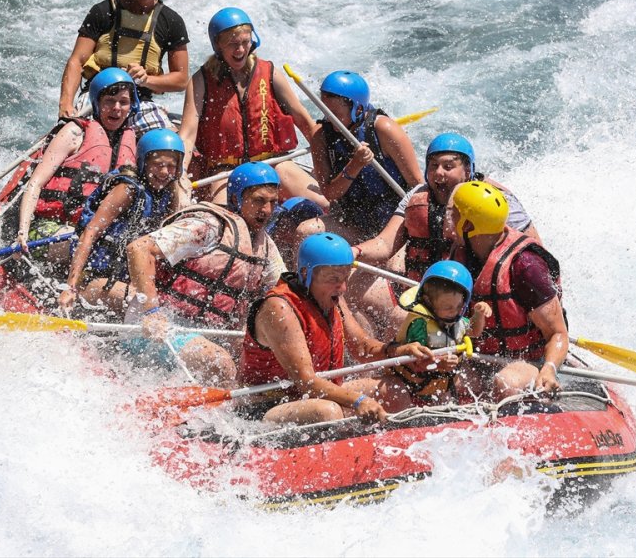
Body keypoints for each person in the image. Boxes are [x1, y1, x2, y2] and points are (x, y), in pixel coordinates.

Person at [238, 232, 434, 424]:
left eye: (345, 278)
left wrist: (401, 351)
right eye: (333, 279)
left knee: (394, 389)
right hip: (264, 407)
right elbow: (307, 382)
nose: (342, 288)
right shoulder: (280, 308)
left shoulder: (334, 299)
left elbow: (363, 348)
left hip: (316, 396)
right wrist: (358, 400)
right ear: (306, 273)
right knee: (329, 411)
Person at [121, 162, 289, 385]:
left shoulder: (265, 247)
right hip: (155, 328)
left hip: (205, 336)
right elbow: (139, 248)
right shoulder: (207, 226)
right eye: (259, 200)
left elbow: (286, 293)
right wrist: (152, 311)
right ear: (237, 198)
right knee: (219, 362)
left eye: (272, 202)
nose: (266, 210)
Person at [177, 7, 326, 208]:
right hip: (226, 170)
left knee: (324, 204)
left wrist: (327, 167)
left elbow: (306, 124)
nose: (240, 50)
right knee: (222, 216)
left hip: (273, 164)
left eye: (245, 42)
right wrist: (181, 174)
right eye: (232, 44)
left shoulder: (271, 73)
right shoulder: (201, 81)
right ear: (218, 46)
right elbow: (187, 135)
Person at [352, 133, 540, 282]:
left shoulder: (497, 200)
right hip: (427, 289)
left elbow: (536, 254)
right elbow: (385, 244)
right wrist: (354, 252)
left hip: (476, 297)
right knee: (358, 281)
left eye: (448, 166)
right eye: (433, 166)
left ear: (467, 171)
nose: (438, 173)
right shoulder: (418, 195)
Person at [447, 180, 568, 400]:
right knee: (458, 385)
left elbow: (557, 332)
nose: (448, 220)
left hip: (529, 360)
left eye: (454, 214)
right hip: (479, 356)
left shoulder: (526, 266)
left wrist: (549, 368)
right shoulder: (460, 254)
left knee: (506, 383)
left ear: (468, 225)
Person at [58, 0, 189, 135]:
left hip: (141, 102)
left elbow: (181, 79)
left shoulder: (171, 21)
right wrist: (66, 104)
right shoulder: (103, 11)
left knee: (166, 147)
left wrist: (147, 80)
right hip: (96, 97)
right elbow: (77, 60)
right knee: (72, 136)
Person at [57, 129, 187, 315]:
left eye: (171, 166)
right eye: (158, 165)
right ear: (144, 163)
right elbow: (90, 233)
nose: (165, 172)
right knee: (142, 303)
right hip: (92, 277)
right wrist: (70, 288)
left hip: (125, 277)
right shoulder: (127, 189)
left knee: (168, 299)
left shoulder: (169, 193)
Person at [16, 68, 138, 266]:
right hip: (48, 228)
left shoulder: (133, 141)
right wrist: (22, 231)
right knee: (96, 250)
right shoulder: (75, 132)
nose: (117, 108)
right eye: (109, 101)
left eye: (123, 102)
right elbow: (35, 184)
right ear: (97, 103)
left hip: (92, 232)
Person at [296, 70, 422, 244]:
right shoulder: (320, 136)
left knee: (394, 267)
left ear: (358, 109)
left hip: (393, 226)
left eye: (335, 114)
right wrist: (355, 165)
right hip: (352, 222)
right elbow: (330, 194)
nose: (330, 119)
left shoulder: (385, 129)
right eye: (326, 112)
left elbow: (418, 185)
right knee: (305, 232)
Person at [377, 261, 491, 411]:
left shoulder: (454, 319)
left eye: (458, 306)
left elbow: (474, 331)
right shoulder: (419, 324)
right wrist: (439, 363)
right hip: (411, 385)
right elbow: (416, 361)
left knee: (480, 385)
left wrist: (479, 314)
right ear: (428, 301)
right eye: (448, 307)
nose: (454, 312)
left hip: (438, 385)